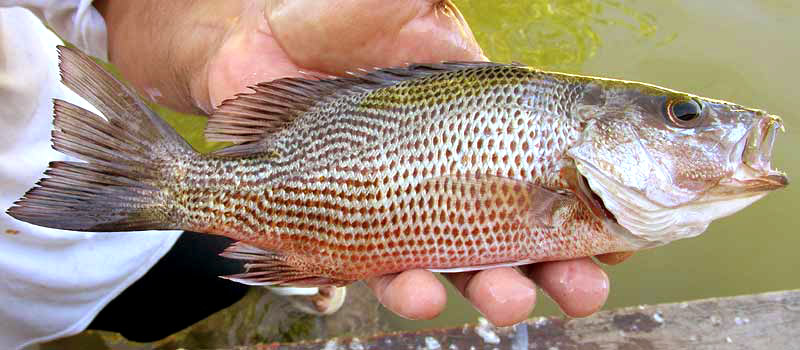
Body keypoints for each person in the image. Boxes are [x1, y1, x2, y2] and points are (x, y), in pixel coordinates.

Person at [0, 1, 629, 349]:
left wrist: (227, 40)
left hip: (109, 257)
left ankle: (302, 271)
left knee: (197, 287)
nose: (706, 128)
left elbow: (112, 5)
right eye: (683, 116)